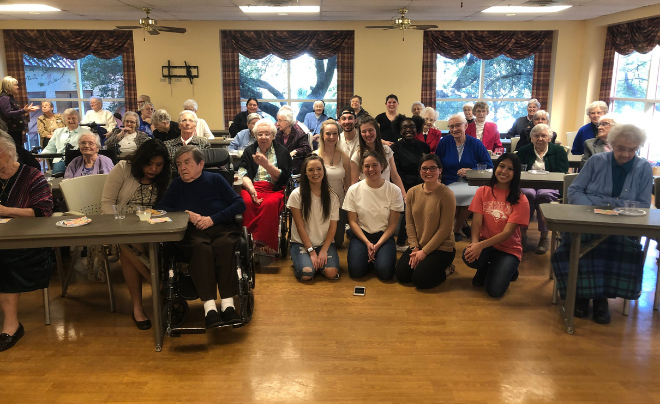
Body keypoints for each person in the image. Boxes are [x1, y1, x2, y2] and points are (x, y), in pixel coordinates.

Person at [559, 123, 653, 324]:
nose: (626, 154)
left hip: (623, 223)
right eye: (621, 148)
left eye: (631, 149)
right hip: (588, 218)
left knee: (620, 246)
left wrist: (616, 211)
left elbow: (644, 205)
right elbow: (575, 190)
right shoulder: (596, 160)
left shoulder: (643, 167)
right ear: (611, 144)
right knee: (579, 242)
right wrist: (592, 210)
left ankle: (602, 298)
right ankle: (582, 294)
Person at [156, 146, 246, 328]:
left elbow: (239, 203)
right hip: (192, 232)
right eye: (179, 164)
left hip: (220, 227)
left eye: (187, 163)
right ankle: (210, 309)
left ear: (201, 164)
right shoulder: (176, 185)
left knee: (226, 244)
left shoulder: (216, 179)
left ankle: (228, 305)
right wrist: (185, 213)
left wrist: (212, 219)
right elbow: (160, 209)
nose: (182, 168)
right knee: (201, 249)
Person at [101, 140, 171, 330]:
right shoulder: (123, 168)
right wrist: (118, 224)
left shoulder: (165, 176)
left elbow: (168, 206)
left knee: (129, 248)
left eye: (159, 165)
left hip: (153, 226)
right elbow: (107, 203)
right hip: (121, 224)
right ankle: (154, 287)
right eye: (149, 164)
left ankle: (140, 305)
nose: (153, 169)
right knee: (128, 243)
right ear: (141, 160)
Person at [0, 132, 53, 351]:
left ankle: (11, 324)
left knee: (3, 257)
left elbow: (44, 211)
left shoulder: (31, 175)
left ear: (7, 152)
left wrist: (5, 211)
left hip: (28, 245)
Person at [463, 153, 530, 298]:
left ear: (516, 173)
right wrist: (475, 244)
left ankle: (508, 269)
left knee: (494, 291)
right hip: (487, 244)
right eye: (501, 166)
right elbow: (476, 222)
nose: (504, 171)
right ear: (495, 167)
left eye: (510, 169)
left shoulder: (521, 199)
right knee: (467, 255)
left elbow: (507, 233)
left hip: (508, 249)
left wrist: (480, 246)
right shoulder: (483, 191)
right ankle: (488, 267)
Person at [395, 154, 456, 289]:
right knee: (402, 275)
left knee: (420, 280)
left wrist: (424, 252)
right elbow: (409, 223)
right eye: (424, 168)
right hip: (420, 245)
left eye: (433, 168)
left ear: (440, 170)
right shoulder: (412, 192)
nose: (428, 172)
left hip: (442, 247)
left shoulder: (447, 195)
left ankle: (447, 269)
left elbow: (445, 229)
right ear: (419, 170)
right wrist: (415, 248)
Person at [344, 150, 404, 280]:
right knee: (356, 272)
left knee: (386, 274)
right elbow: (352, 222)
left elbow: (393, 224)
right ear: (362, 168)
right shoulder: (354, 190)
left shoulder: (394, 190)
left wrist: (377, 245)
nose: (371, 169)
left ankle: (375, 257)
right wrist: (367, 243)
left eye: (375, 165)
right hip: (361, 236)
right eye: (366, 166)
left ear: (382, 166)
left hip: (384, 236)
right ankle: (370, 256)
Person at [238, 119, 292, 254]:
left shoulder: (282, 151)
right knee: (245, 201)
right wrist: (251, 190)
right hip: (253, 186)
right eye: (260, 134)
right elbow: (242, 172)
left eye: (267, 134)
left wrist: (266, 164)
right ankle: (248, 242)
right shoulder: (249, 150)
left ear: (273, 135)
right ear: (255, 136)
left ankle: (263, 245)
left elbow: (283, 178)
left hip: (273, 188)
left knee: (269, 204)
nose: (263, 137)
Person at [436, 113, 493, 241]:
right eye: (451, 127)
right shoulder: (444, 142)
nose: (454, 129)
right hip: (449, 181)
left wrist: (471, 171)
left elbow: (489, 166)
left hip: (471, 182)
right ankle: (462, 226)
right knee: (450, 197)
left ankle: (455, 229)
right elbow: (436, 163)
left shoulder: (476, 144)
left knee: (475, 195)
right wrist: (438, 178)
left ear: (466, 126)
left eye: (458, 125)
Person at [516, 124, 568, 254]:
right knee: (528, 195)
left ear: (549, 138)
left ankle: (544, 237)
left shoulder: (559, 151)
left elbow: (562, 172)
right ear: (531, 138)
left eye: (544, 136)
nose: (540, 138)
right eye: (536, 136)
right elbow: (517, 170)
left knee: (544, 196)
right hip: (527, 184)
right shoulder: (523, 150)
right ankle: (522, 234)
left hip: (550, 185)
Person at [288, 155, 340, 281]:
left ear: (324, 171)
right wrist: (311, 252)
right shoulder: (296, 195)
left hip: (324, 243)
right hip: (301, 243)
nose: (315, 173)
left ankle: (317, 264)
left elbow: (333, 227)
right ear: (305, 173)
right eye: (310, 170)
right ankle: (304, 261)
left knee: (332, 273)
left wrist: (323, 250)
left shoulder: (332, 196)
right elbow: (300, 227)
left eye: (319, 169)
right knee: (306, 273)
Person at [391, 115, 430, 251]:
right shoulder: (395, 148)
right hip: (404, 187)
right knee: (411, 206)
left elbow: (428, 168)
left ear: (417, 128)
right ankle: (401, 242)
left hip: (425, 185)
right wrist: (408, 191)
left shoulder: (424, 147)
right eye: (404, 127)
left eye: (412, 126)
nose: (408, 130)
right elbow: (397, 174)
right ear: (399, 130)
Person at [349, 115, 407, 199]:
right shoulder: (357, 155)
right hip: (366, 197)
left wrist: (404, 195)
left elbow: (394, 175)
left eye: (370, 130)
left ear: (376, 130)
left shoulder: (387, 150)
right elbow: (354, 183)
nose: (368, 134)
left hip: (386, 195)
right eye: (364, 131)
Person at [314, 119, 351, 247]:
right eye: (328, 134)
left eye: (335, 134)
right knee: (320, 240)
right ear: (322, 135)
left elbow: (348, 185)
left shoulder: (344, 157)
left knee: (338, 242)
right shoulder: (315, 156)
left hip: (339, 204)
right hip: (320, 203)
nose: (332, 137)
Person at [41, 108, 91, 173]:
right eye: (68, 118)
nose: (71, 121)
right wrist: (41, 156)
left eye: (73, 118)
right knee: (58, 174)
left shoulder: (86, 133)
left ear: (78, 119)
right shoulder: (58, 132)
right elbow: (51, 147)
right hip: (60, 160)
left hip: (80, 160)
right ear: (64, 120)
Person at [0, 76, 39, 150]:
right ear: (9, 86)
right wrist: (24, 110)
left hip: (15, 129)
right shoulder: (4, 98)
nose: (17, 87)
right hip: (11, 130)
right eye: (15, 85)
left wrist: (26, 111)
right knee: (16, 150)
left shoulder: (10, 97)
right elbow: (7, 113)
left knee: (19, 150)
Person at [275, 106, 311, 175]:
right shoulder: (276, 134)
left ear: (288, 122)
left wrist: (295, 151)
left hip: (295, 169)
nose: (277, 124)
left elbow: (307, 149)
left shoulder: (300, 134)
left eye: (280, 120)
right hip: (279, 168)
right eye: (277, 120)